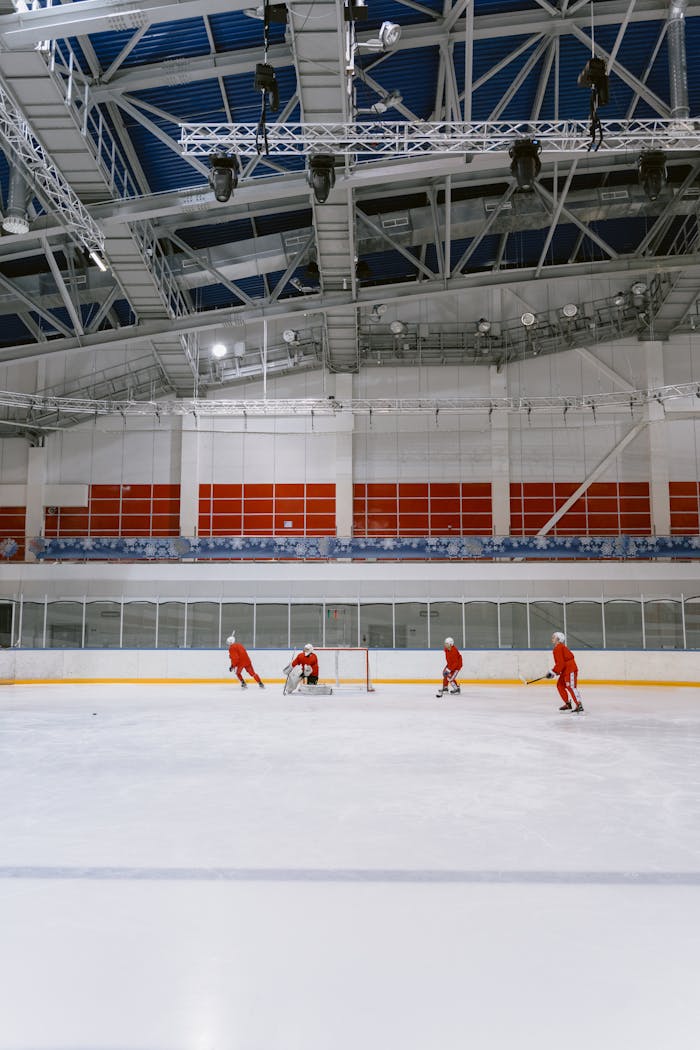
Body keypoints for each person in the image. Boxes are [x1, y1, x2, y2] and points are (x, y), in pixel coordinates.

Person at [548, 631, 584, 713]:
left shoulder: (559, 648)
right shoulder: (559, 647)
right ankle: (568, 704)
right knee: (560, 685)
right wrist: (554, 672)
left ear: (558, 639)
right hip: (565, 670)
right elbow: (560, 664)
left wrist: (553, 672)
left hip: (570, 669)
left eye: (554, 637)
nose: (552, 638)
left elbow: (561, 663)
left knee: (571, 687)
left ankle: (579, 705)